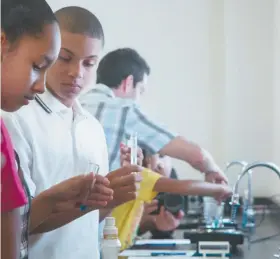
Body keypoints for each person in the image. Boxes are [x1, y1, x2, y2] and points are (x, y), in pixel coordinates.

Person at [2, 6, 142, 259]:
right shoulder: (14, 117)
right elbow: (12, 224)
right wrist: (71, 200)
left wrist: (112, 195)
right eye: (64, 58)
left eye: (89, 63)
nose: (77, 73)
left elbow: (87, 221)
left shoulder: (93, 127)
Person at [79, 47, 228, 186]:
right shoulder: (124, 110)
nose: (139, 99)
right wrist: (212, 169)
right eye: (141, 90)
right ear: (128, 82)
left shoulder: (77, 103)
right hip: (93, 210)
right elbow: (196, 156)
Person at [113, 148, 232, 250]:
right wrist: (220, 189)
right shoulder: (141, 177)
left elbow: (127, 230)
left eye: (162, 156)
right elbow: (185, 187)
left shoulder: (144, 186)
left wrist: (148, 223)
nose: (159, 164)